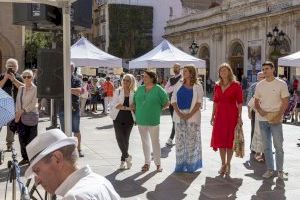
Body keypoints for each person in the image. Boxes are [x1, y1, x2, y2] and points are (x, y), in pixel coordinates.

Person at [24, 129, 120, 200]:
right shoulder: (101, 181)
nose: (37, 181)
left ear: (57, 159)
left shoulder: (74, 197)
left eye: (37, 170)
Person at [254, 61, 289, 180]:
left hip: (276, 119)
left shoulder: (281, 84)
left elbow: (285, 101)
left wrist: (279, 115)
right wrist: (260, 110)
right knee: (267, 147)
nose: (265, 71)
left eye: (267, 69)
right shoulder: (260, 85)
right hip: (263, 120)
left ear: (273, 69)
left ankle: (280, 171)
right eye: (263, 69)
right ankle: (270, 169)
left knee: (278, 146)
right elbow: (256, 102)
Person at [210, 63, 243, 177]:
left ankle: (228, 164)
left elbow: (239, 102)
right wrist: (212, 115)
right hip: (220, 116)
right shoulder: (217, 85)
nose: (223, 72)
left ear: (229, 72)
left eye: (225, 70)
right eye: (221, 71)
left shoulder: (236, 85)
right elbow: (215, 100)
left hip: (231, 115)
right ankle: (223, 163)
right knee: (220, 141)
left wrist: (240, 116)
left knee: (229, 141)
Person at [133, 70, 169, 172]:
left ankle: (158, 164)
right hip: (141, 120)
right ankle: (147, 163)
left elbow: (167, 103)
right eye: (143, 77)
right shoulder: (139, 89)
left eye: (146, 77)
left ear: (152, 78)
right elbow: (134, 103)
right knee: (145, 142)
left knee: (155, 142)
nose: (143, 78)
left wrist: (158, 109)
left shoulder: (158, 89)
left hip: (153, 120)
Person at [171, 65, 203, 173]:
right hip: (179, 115)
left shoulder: (198, 86)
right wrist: (179, 113)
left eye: (185, 71)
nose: (183, 73)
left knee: (191, 142)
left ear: (191, 72)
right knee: (180, 141)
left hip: (193, 116)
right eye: (183, 71)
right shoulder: (178, 84)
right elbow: (173, 100)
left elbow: (199, 103)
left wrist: (189, 115)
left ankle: (191, 165)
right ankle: (180, 165)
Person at [110, 74, 136, 170]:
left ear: (131, 82)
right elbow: (115, 105)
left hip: (129, 119)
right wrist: (128, 107)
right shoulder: (118, 91)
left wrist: (125, 107)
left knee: (126, 140)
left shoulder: (134, 92)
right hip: (117, 117)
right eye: (124, 80)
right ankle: (127, 157)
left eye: (128, 80)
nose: (125, 82)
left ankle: (123, 161)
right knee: (119, 138)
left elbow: (135, 106)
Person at [58, 63, 84, 157]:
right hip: (62, 108)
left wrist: (66, 88)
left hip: (74, 108)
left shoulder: (77, 79)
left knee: (76, 130)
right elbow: (57, 91)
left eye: (71, 68)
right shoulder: (59, 79)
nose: (69, 70)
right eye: (67, 68)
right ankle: (66, 151)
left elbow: (78, 92)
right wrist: (71, 90)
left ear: (73, 69)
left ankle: (79, 149)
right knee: (64, 131)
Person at [15, 69, 38, 165]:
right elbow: (17, 101)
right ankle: (25, 157)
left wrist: (23, 110)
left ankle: (32, 159)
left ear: (32, 78)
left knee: (31, 139)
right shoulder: (21, 88)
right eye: (24, 77)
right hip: (21, 117)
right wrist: (17, 113)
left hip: (31, 116)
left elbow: (34, 103)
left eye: (29, 76)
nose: (26, 78)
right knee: (22, 138)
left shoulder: (36, 89)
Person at [0, 58, 23, 151]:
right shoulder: (1, 76)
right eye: (9, 66)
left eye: (13, 66)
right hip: (2, 104)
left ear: (17, 67)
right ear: (6, 66)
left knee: (11, 126)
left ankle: (9, 144)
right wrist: (5, 78)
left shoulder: (19, 77)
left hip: (14, 104)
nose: (11, 68)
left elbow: (23, 88)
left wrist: (13, 80)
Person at [247, 72, 265, 162]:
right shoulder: (254, 86)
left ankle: (265, 151)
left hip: (267, 114)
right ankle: (254, 148)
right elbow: (249, 101)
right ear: (257, 78)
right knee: (255, 130)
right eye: (260, 77)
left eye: (263, 77)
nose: (262, 78)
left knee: (265, 132)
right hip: (256, 113)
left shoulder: (267, 86)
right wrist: (249, 113)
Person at [164, 63, 182, 146]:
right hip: (172, 103)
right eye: (174, 67)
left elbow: (181, 88)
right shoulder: (171, 79)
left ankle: (171, 138)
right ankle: (177, 138)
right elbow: (166, 89)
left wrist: (172, 88)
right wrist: (174, 87)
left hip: (181, 103)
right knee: (174, 121)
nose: (175, 69)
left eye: (177, 67)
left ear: (180, 68)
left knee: (177, 121)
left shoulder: (182, 78)